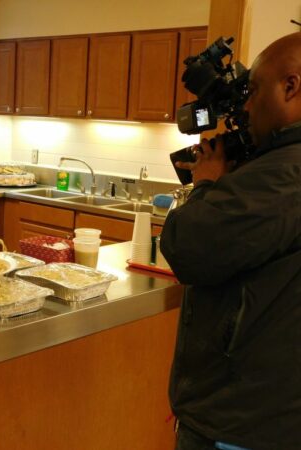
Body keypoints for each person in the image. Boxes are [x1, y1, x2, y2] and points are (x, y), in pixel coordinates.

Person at [160, 32, 301, 450]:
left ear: (291, 87)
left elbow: (187, 246)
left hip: (242, 420)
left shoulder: (282, 176)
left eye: (254, 91)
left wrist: (204, 184)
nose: (246, 107)